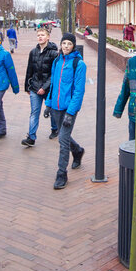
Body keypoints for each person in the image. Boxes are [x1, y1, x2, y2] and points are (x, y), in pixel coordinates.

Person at [44, 33, 86, 189]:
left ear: (73, 46)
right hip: (55, 107)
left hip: (69, 108)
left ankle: (61, 174)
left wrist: (70, 112)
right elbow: (53, 85)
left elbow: (78, 91)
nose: (66, 46)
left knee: (62, 140)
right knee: (64, 136)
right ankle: (78, 151)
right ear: (60, 45)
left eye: (69, 43)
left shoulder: (79, 64)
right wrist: (48, 104)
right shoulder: (56, 61)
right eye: (64, 43)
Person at [21, 27, 60, 147]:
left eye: (42, 35)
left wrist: (45, 87)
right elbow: (29, 70)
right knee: (34, 112)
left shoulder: (54, 53)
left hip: (49, 89)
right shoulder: (33, 52)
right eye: (38, 35)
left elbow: (54, 74)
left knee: (53, 111)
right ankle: (31, 137)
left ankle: (55, 129)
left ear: (48, 37)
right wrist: (27, 87)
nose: (40, 37)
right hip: (34, 87)